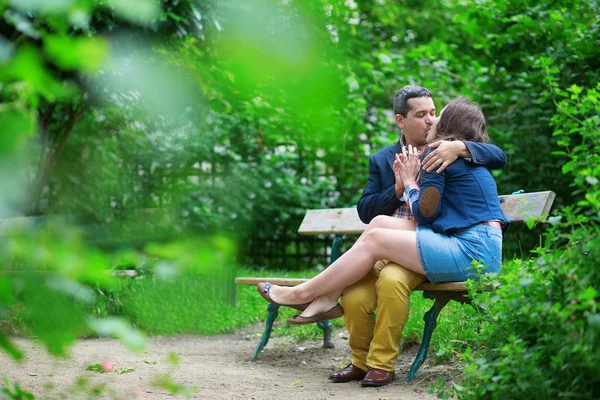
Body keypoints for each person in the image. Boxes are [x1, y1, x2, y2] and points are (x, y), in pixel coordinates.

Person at [258, 94, 509, 386]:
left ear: (448, 124)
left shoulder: (442, 153)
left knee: (379, 244)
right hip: (468, 244)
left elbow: (427, 215)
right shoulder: (428, 155)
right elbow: (376, 211)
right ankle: (329, 303)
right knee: (377, 225)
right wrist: (400, 185)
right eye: (422, 114)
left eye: (437, 113)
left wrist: (414, 181)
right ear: (401, 120)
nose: (431, 118)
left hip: (468, 249)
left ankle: (301, 294)